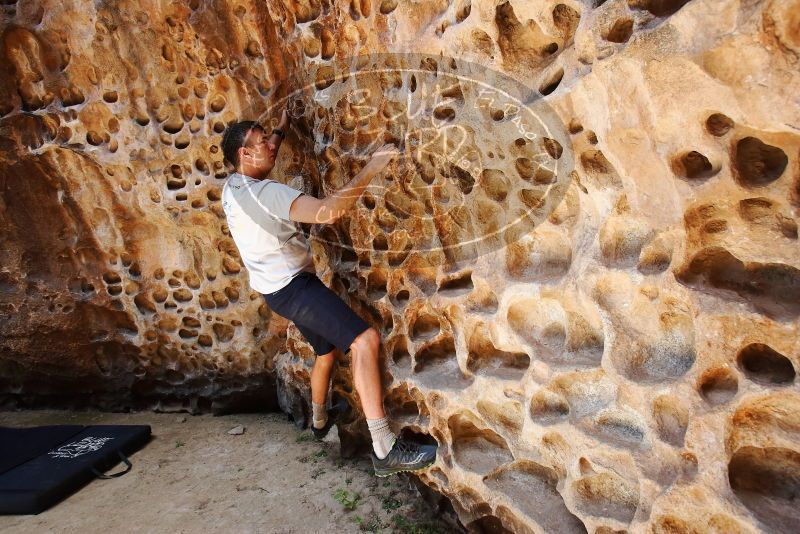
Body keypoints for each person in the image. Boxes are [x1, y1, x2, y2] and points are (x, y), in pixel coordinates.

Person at [219, 110, 437, 477]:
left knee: (326, 352)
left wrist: (281, 129)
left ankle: (319, 421)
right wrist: (374, 165)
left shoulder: (232, 187)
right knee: (364, 341)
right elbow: (328, 211)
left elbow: (269, 148)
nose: (271, 147)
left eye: (269, 140)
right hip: (295, 287)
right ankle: (385, 448)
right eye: (262, 143)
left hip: (275, 291)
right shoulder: (267, 194)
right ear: (245, 154)